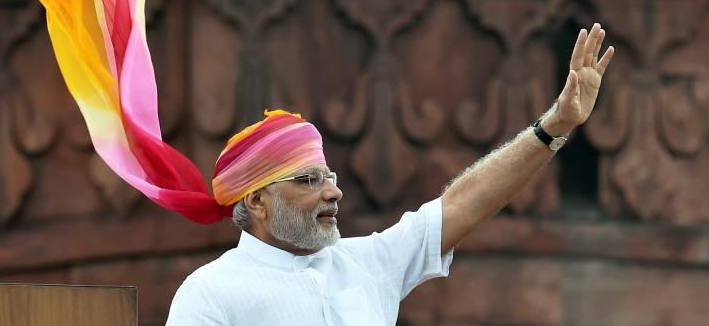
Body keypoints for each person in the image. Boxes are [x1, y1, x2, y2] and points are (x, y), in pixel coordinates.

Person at [165, 23, 615, 325]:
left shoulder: (367, 265)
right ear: (257, 202)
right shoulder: (211, 293)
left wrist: (553, 125)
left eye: (330, 176)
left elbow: (461, 204)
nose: (334, 192)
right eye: (309, 180)